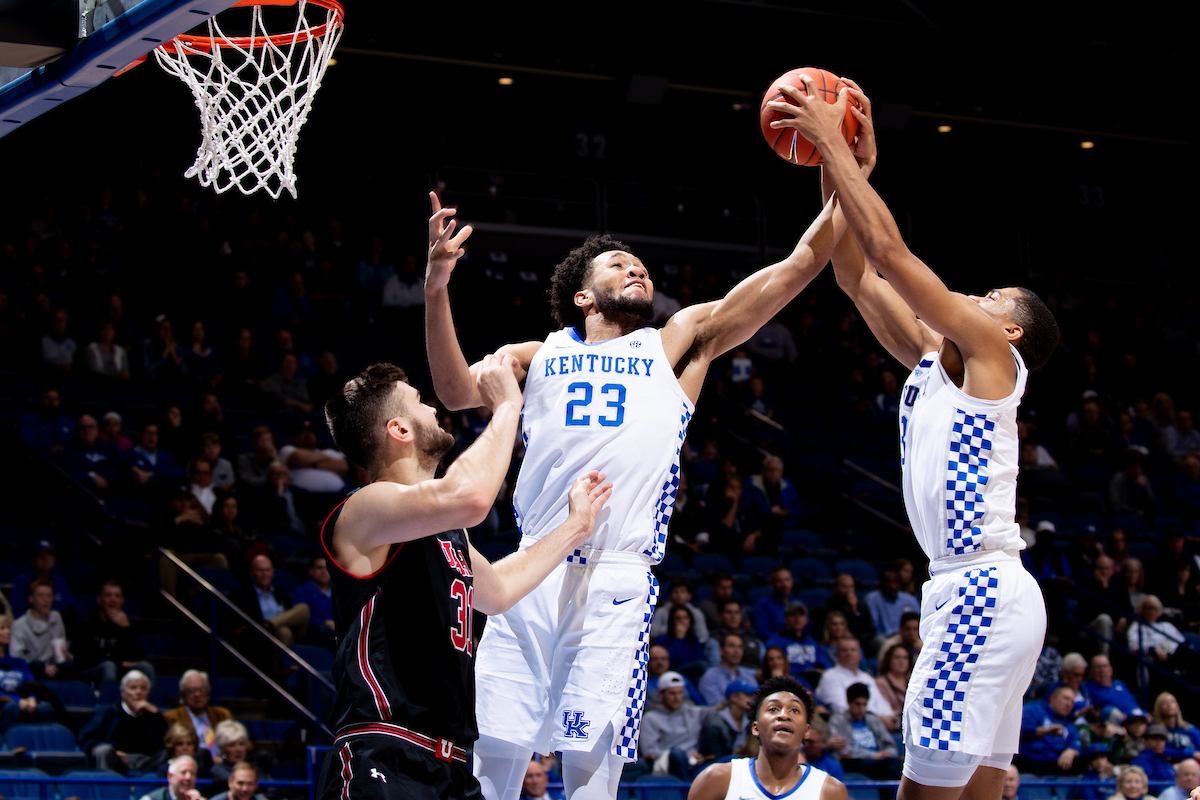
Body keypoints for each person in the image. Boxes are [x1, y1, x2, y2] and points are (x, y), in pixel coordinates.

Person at [425, 171, 849, 799]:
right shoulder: (538, 355)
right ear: (582, 298)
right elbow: (455, 391)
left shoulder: (675, 344)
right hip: (529, 570)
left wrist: (846, 175)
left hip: (616, 577)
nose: (638, 272)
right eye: (620, 265)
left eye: (643, 268)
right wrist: (437, 285)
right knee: (494, 761)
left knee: (590, 776)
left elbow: (795, 267)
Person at [780, 77, 1057, 800]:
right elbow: (853, 270)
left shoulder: (996, 357)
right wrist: (848, 175)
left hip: (981, 590)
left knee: (922, 793)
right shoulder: (941, 362)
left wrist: (833, 142)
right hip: (977, 590)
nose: (976, 297)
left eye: (992, 298)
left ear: (1011, 329)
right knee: (976, 792)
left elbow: (893, 254)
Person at [314, 360, 612, 800]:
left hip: (452, 763)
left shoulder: (443, 528)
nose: (434, 409)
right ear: (399, 429)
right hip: (384, 750)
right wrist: (508, 406)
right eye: (420, 402)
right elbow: (470, 497)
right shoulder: (366, 507)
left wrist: (575, 528)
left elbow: (498, 591)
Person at [686, 675, 849, 800]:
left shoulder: (829, 791)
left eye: (794, 710)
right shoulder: (717, 779)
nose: (784, 715)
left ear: (807, 731)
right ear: (755, 728)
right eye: (773, 709)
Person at [80, 669, 167, 772]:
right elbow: (86, 737)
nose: (138, 692)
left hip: (146, 761)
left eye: (143, 688)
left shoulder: (154, 715)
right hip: (116, 758)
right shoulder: (108, 712)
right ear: (123, 693)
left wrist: (157, 716)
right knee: (103, 750)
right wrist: (114, 751)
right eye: (133, 688)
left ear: (148, 694)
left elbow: (168, 743)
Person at [75, 580, 155, 688]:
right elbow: (86, 657)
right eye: (108, 595)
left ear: (122, 600)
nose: (113, 599)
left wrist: (126, 628)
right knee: (109, 666)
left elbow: (138, 656)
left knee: (146, 668)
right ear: (99, 599)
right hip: (92, 670)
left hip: (119, 669)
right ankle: (106, 700)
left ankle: (145, 703)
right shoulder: (88, 623)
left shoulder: (126, 623)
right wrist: (120, 663)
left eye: (117, 596)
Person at [638, 671, 715, 781]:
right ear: (661, 693)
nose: (677, 698)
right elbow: (650, 753)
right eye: (672, 694)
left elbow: (717, 711)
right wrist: (686, 756)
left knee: (728, 761)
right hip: (668, 768)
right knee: (677, 755)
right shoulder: (651, 718)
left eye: (680, 693)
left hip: (696, 766)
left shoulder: (692, 712)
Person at [828, 682, 903, 779]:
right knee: (890, 767)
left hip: (880, 761)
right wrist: (874, 755)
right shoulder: (838, 721)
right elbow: (844, 751)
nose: (861, 709)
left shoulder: (872, 719)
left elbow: (890, 744)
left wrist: (887, 753)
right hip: (854, 763)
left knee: (900, 765)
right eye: (858, 704)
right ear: (848, 702)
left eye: (864, 705)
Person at [814, 638, 893, 721]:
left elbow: (882, 704)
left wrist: (889, 717)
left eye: (853, 650)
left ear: (860, 654)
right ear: (837, 655)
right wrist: (880, 719)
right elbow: (843, 708)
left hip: (877, 724)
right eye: (844, 650)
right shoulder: (829, 676)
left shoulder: (867, 678)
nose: (849, 654)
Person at [10, 579, 75, 679]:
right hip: (32, 669)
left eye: (49, 595)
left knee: (69, 665)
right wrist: (43, 667)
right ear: (31, 599)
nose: (45, 599)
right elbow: (16, 657)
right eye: (40, 595)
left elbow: (61, 648)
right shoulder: (19, 625)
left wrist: (65, 655)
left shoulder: (56, 618)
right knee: (37, 665)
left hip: (54, 668)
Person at [163, 670, 233, 760]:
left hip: (223, 760)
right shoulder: (172, 717)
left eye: (201, 690)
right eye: (192, 691)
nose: (197, 694)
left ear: (208, 692)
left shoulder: (222, 714)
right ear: (183, 693)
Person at [1018, 685, 1082, 775]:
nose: (1069, 704)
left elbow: (1076, 743)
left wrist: (1071, 751)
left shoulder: (1068, 724)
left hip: (1056, 766)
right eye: (1066, 699)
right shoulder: (1034, 710)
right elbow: (1020, 730)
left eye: (1072, 702)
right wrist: (1046, 731)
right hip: (1030, 764)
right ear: (1053, 697)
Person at [698, 681, 756, 760]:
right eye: (747, 695)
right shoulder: (716, 724)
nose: (751, 698)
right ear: (733, 698)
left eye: (752, 695)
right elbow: (714, 756)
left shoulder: (750, 720)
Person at [698, 635, 759, 706]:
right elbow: (716, 707)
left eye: (740, 647)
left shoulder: (749, 678)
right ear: (721, 650)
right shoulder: (710, 676)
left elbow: (756, 705)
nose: (737, 651)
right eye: (732, 646)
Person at [864, 570, 921, 638]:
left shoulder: (910, 599)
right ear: (881, 584)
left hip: (907, 636)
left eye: (895, 582)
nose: (892, 586)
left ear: (900, 584)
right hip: (883, 637)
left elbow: (919, 621)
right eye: (888, 582)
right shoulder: (871, 599)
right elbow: (872, 625)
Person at [138, 754, 205, 800]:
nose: (188, 777)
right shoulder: (151, 799)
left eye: (192, 773)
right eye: (183, 772)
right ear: (170, 776)